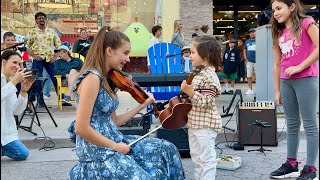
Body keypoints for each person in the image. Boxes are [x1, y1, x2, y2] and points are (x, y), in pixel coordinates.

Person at [67, 26, 185, 179]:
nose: (128, 59)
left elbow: (114, 121)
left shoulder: (106, 79)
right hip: (99, 152)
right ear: (110, 51)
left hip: (114, 140)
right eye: (125, 53)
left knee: (167, 148)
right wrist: (116, 146)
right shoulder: (92, 78)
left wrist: (142, 105)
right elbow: (81, 128)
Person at [270, 0, 319, 179]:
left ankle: (311, 168)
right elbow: (276, 64)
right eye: (273, 9)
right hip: (286, 81)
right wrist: (277, 91)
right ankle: (291, 164)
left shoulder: (307, 23)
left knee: (310, 124)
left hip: (306, 79)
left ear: (291, 7)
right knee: (291, 124)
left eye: (279, 8)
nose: (275, 12)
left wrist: (300, 67)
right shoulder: (278, 31)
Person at [180, 35, 222, 180]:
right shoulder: (197, 73)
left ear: (205, 55)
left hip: (205, 125)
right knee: (197, 158)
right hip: (195, 124)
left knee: (206, 160)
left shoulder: (209, 76)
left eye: (192, 52)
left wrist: (190, 92)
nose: (190, 56)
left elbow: (208, 101)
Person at [1, 50, 35, 160]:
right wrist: (14, 82)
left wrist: (24, 91)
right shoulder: (12, 82)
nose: (17, 66)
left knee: (22, 153)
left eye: (19, 64)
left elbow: (16, 111)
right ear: (3, 62)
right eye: (14, 63)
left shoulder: (10, 81)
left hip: (5, 134)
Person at [26, 11, 61, 107]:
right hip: (38, 59)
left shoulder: (51, 31)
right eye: (39, 18)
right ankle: (40, 101)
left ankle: (62, 100)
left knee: (56, 77)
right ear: (36, 21)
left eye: (43, 18)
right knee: (38, 80)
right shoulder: (32, 32)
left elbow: (58, 46)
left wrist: (55, 57)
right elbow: (27, 47)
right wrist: (34, 56)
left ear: (45, 20)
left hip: (50, 59)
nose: (41, 20)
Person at [243, 28, 256, 95]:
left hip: (258, 61)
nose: (251, 34)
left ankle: (259, 89)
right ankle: (250, 89)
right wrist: (245, 58)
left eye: (253, 32)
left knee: (259, 76)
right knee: (249, 76)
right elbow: (244, 49)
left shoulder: (259, 40)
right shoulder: (247, 41)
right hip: (249, 61)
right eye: (250, 33)